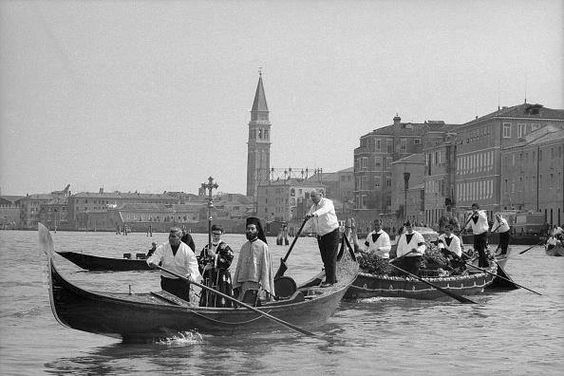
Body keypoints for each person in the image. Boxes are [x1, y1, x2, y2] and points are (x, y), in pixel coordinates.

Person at [146, 227, 201, 302]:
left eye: (173, 236)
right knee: (167, 302)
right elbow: (155, 256)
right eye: (170, 236)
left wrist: (192, 276)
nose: (171, 238)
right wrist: (153, 263)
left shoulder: (186, 250)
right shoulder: (163, 247)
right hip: (167, 280)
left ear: (179, 238)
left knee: (182, 303)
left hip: (182, 281)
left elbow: (193, 264)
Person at [232, 217, 275, 303]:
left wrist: (265, 287)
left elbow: (266, 269)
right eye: (248, 229)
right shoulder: (244, 247)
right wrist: (235, 284)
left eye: (252, 229)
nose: (250, 231)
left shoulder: (263, 247)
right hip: (243, 284)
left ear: (257, 231)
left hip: (256, 285)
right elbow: (238, 267)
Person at [305, 190, 340, 287]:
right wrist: (301, 230)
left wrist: (314, 214)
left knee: (330, 257)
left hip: (331, 233)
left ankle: (330, 281)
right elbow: (309, 221)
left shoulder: (327, 203)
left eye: (314, 196)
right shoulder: (313, 207)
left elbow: (323, 210)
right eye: (311, 197)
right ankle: (333, 277)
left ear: (320, 195)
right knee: (324, 258)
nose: (312, 198)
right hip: (321, 235)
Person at [197, 224, 235, 307]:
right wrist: (205, 267)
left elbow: (228, 261)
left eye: (218, 234)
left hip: (221, 278)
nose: (215, 236)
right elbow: (200, 261)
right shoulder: (206, 248)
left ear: (221, 234)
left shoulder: (225, 247)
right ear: (211, 234)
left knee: (221, 298)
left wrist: (215, 256)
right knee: (207, 297)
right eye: (214, 234)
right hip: (209, 278)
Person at [465, 203, 490, 267]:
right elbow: (468, 225)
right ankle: (485, 263)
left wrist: (478, 213)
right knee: (477, 249)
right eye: (473, 209)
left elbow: (484, 219)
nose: (473, 210)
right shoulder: (471, 216)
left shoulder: (482, 214)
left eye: (475, 208)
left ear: (478, 209)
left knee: (481, 249)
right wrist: (465, 228)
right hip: (476, 235)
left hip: (483, 234)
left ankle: (482, 265)